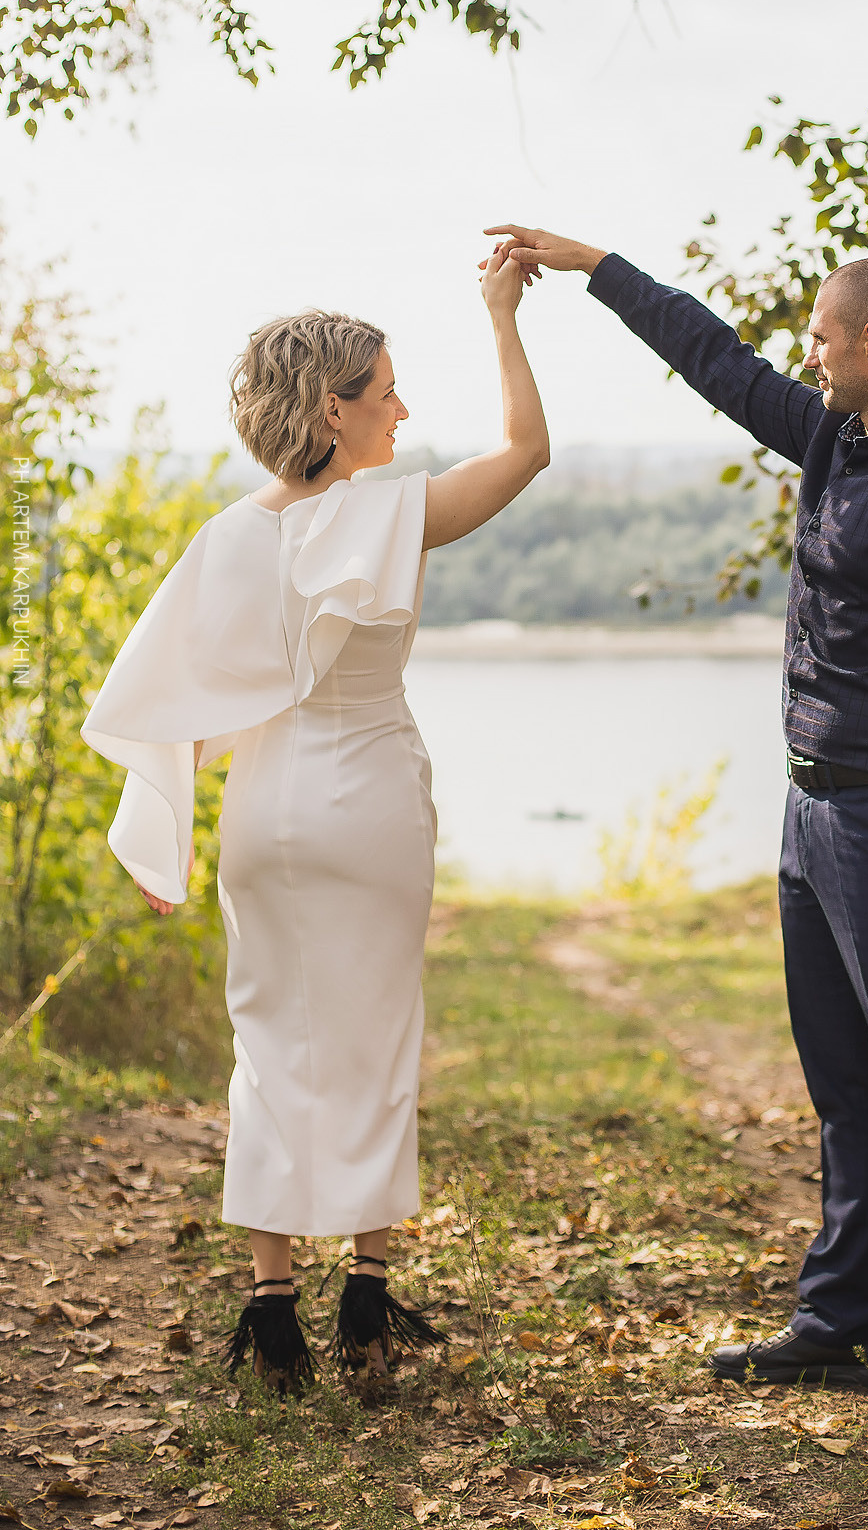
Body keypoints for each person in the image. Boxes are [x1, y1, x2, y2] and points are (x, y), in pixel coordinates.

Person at [482, 225, 868, 1439]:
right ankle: (842, 1325)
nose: (808, 351)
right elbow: (716, 361)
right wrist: (596, 269)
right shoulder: (836, 435)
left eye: (823, 334)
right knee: (845, 1087)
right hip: (811, 811)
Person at [81, 249, 549, 1391]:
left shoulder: (228, 540)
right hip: (374, 799)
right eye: (385, 390)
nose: (401, 407)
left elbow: (170, 710)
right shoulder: (392, 513)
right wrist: (500, 314)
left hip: (268, 816)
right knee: (373, 1041)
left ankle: (272, 1308)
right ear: (333, 409)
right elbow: (527, 453)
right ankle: (368, 1304)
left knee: (270, 1047)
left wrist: (169, 834)